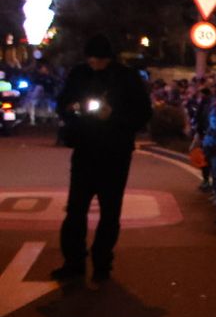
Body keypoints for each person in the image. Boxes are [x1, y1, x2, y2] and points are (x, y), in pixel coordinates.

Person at [52, 34, 153, 284]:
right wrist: (73, 109)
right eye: (91, 60)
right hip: (85, 149)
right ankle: (73, 261)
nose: (95, 64)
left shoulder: (127, 78)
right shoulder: (79, 74)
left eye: (99, 60)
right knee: (75, 209)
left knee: (110, 211)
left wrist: (113, 115)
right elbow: (62, 102)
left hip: (114, 153)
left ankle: (102, 262)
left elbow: (143, 114)